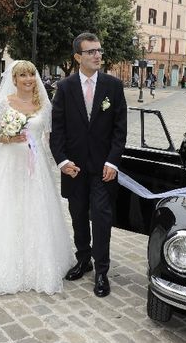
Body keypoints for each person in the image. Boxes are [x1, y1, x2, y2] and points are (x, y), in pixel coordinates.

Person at [0, 60, 74, 295]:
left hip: (35, 167)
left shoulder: (43, 105)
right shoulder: (5, 104)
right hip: (9, 165)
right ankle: (4, 264)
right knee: (8, 209)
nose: (28, 79)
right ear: (14, 80)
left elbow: (50, 139)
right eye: (22, 75)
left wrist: (62, 162)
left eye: (31, 75)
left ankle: (37, 265)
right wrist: (8, 137)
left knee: (36, 210)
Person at [50, 32, 128, 298]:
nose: (97, 55)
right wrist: (61, 160)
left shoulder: (113, 87)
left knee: (102, 219)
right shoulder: (65, 88)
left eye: (99, 51)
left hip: (103, 170)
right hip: (74, 168)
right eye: (90, 52)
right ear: (77, 57)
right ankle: (83, 260)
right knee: (79, 216)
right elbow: (57, 129)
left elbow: (120, 130)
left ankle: (102, 271)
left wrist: (112, 162)